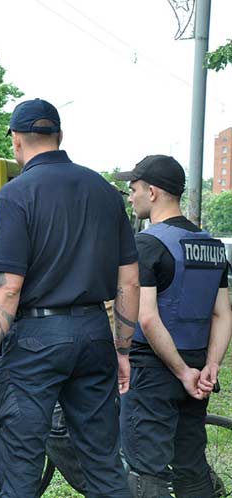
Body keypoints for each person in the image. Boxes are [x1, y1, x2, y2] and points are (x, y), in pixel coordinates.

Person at [0, 98, 140, 497]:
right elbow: (129, 282)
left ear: (16, 140)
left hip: (36, 340)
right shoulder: (106, 192)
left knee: (20, 466)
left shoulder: (17, 194)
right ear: (59, 136)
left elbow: (6, 287)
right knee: (103, 465)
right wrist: (122, 349)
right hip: (94, 333)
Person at [116, 155, 232, 497]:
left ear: (152, 192)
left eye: (133, 189)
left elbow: (147, 317)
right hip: (198, 367)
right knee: (190, 466)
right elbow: (222, 314)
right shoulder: (211, 246)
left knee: (145, 470)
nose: (131, 197)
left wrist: (181, 372)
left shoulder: (147, 244)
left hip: (154, 371)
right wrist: (210, 366)